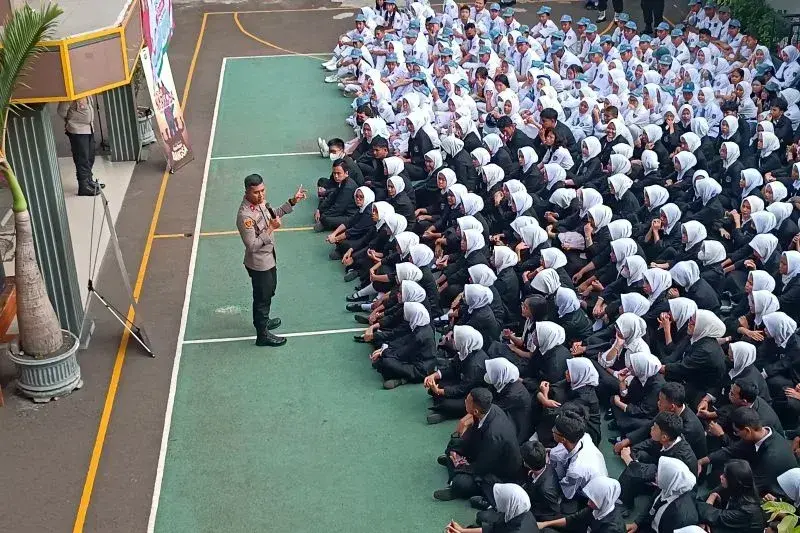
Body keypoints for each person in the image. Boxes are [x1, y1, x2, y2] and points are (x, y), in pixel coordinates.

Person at [235, 174, 307, 346]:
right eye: (256, 193)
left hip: (269, 258)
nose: (261, 196)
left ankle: (263, 321)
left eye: (262, 190)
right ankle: (262, 335)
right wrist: (270, 229)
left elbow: (272, 214)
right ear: (246, 192)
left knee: (269, 291)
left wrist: (292, 202)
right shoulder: (245, 216)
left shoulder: (260, 204)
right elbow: (252, 246)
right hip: (259, 263)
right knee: (262, 298)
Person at [434, 387, 522, 502]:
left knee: (461, 482)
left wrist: (461, 465)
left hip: (498, 471)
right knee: (454, 444)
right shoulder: (489, 409)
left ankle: (454, 486)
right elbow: (474, 434)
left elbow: (483, 466)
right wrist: (460, 452)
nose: (465, 401)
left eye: (467, 401)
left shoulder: (493, 435)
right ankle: (453, 465)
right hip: (484, 450)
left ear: (475, 411)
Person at [57, 96, 105, 196]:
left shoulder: (85, 91)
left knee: (89, 157)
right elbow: (61, 111)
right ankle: (83, 187)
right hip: (77, 130)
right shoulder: (70, 93)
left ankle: (89, 181)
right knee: (82, 158)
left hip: (89, 128)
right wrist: (72, 120)